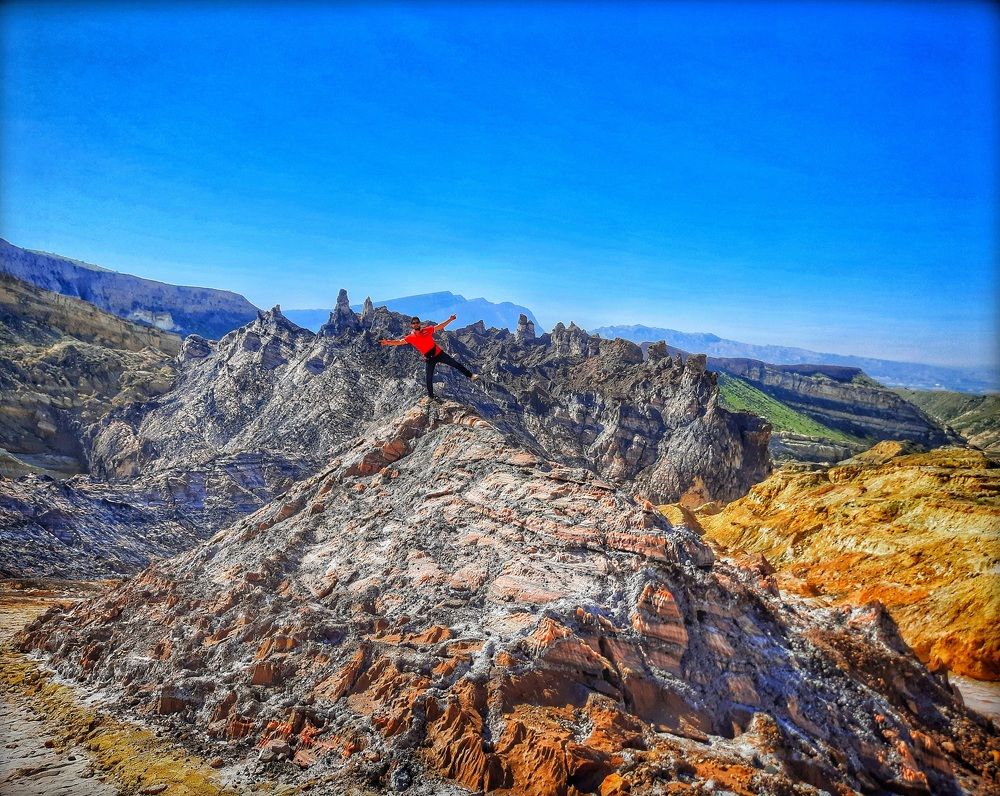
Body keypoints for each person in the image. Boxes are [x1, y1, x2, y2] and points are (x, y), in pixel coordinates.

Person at [380, 314, 480, 400]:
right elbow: (399, 342)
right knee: (428, 378)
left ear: (419, 323)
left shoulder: (427, 330)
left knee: (456, 364)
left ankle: (471, 376)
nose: (415, 324)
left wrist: (450, 319)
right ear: (411, 325)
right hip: (429, 358)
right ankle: (431, 397)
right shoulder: (410, 337)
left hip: (439, 354)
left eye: (417, 322)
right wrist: (388, 342)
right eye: (413, 323)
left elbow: (439, 327)